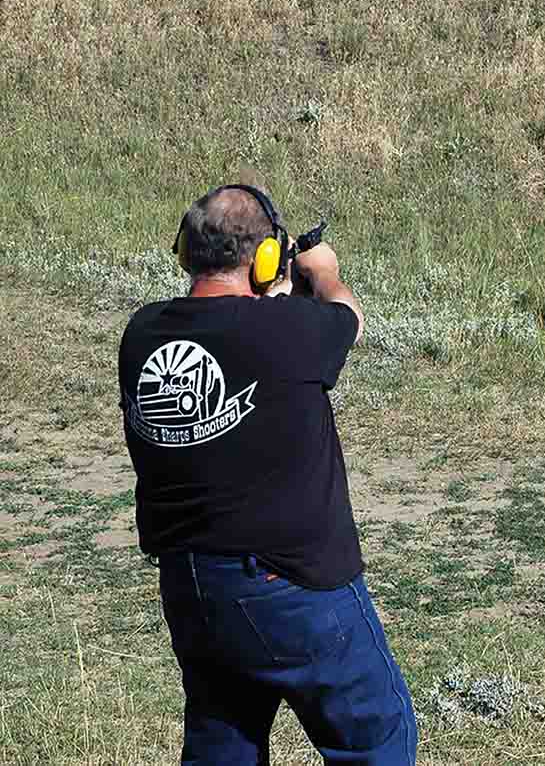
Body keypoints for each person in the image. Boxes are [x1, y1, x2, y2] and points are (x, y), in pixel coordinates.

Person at [117, 184, 417, 765]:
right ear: (265, 260)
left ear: (184, 252)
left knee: (222, 742)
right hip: (291, 583)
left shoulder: (143, 334)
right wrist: (323, 272)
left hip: (194, 586)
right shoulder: (288, 329)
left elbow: (232, 334)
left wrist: (275, 297)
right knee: (376, 737)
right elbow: (346, 319)